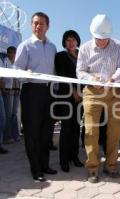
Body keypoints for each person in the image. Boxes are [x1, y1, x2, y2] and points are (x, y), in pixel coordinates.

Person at [76, 14, 120, 183]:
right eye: (99, 38)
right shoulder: (84, 48)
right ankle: (92, 168)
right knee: (91, 130)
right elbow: (80, 71)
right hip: (92, 92)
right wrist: (91, 79)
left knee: (115, 130)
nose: (102, 42)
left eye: (105, 39)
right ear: (92, 34)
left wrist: (113, 79)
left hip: (114, 91)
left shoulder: (119, 46)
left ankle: (111, 165)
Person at [14, 12, 58, 181]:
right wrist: (26, 73)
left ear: (47, 26)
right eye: (35, 23)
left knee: (47, 131)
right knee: (32, 132)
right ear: (31, 25)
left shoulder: (52, 47)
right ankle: (36, 169)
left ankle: (45, 165)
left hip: (49, 93)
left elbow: (54, 72)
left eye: (41, 23)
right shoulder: (25, 46)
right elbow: (16, 70)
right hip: (31, 91)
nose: (38, 26)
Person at [55, 30, 84, 172]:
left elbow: (85, 75)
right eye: (68, 40)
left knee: (76, 128)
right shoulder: (60, 56)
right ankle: (64, 161)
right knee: (66, 128)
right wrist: (73, 92)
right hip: (66, 97)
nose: (71, 42)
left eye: (73, 39)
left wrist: (82, 92)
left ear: (77, 41)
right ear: (64, 42)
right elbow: (61, 75)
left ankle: (75, 157)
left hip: (81, 97)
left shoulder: (82, 55)